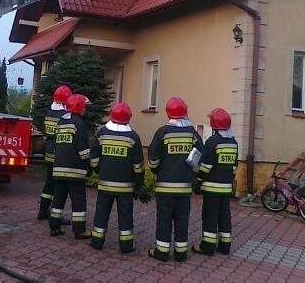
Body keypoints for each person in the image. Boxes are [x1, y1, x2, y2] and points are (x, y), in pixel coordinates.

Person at [89, 102, 150, 253]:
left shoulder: (102, 134)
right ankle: (126, 245)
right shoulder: (133, 137)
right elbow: (138, 166)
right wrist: (139, 184)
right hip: (125, 187)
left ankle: (97, 242)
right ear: (129, 117)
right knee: (125, 216)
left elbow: (94, 159)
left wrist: (98, 170)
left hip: (105, 185)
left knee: (101, 213)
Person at [148, 97, 204, 262]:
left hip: (165, 188)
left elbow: (153, 159)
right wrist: (193, 174)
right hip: (184, 188)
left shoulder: (162, 132)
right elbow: (200, 155)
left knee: (164, 220)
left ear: (168, 113)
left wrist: (156, 170)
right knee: (182, 220)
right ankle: (181, 253)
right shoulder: (192, 134)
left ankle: (162, 252)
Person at [192, 108, 238, 256]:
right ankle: (225, 246)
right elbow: (234, 167)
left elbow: (206, 166)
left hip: (211, 188)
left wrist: (198, 182)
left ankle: (208, 246)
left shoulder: (212, 142)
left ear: (213, 123)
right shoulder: (233, 142)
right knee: (224, 216)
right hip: (226, 188)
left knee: (210, 216)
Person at [49, 94, 92, 239]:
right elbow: (83, 150)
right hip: (75, 172)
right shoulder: (79, 124)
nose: (85, 110)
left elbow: (56, 146)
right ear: (78, 107)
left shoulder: (61, 123)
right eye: (84, 107)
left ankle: (54, 228)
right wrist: (90, 165)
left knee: (58, 200)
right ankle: (79, 231)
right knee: (78, 201)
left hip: (58, 170)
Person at [37, 85, 72, 221]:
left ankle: (43, 210)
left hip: (49, 152)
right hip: (59, 154)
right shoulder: (64, 116)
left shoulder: (49, 113)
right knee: (59, 187)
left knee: (49, 183)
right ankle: (56, 216)